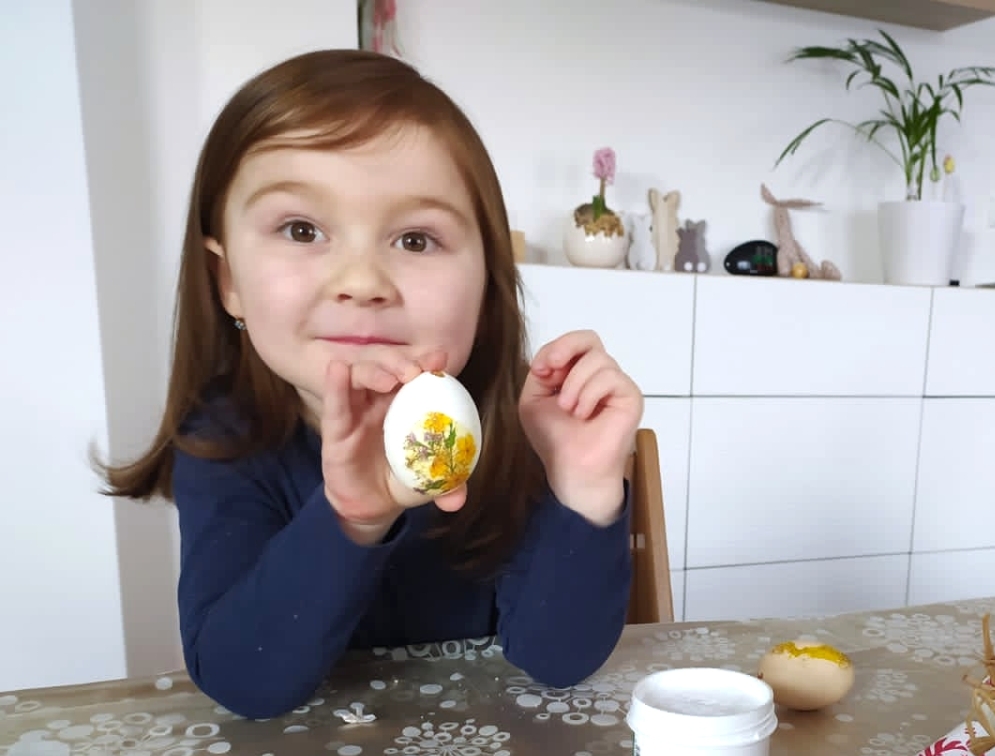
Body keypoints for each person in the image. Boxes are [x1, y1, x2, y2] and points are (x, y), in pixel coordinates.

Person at [99, 49, 643, 721]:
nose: (361, 282)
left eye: (415, 240)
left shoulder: (517, 429)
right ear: (228, 280)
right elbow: (242, 682)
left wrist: (582, 489)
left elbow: (556, 661)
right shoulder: (224, 441)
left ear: (486, 286)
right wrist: (350, 519)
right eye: (302, 230)